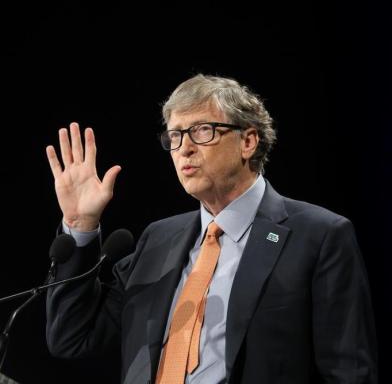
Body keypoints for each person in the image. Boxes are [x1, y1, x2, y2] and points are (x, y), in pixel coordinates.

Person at [45, 74, 378, 384]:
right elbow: (73, 338)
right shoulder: (158, 240)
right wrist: (80, 226)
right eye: (175, 136)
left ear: (248, 141)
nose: (184, 148)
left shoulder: (320, 236)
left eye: (202, 130)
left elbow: (348, 372)